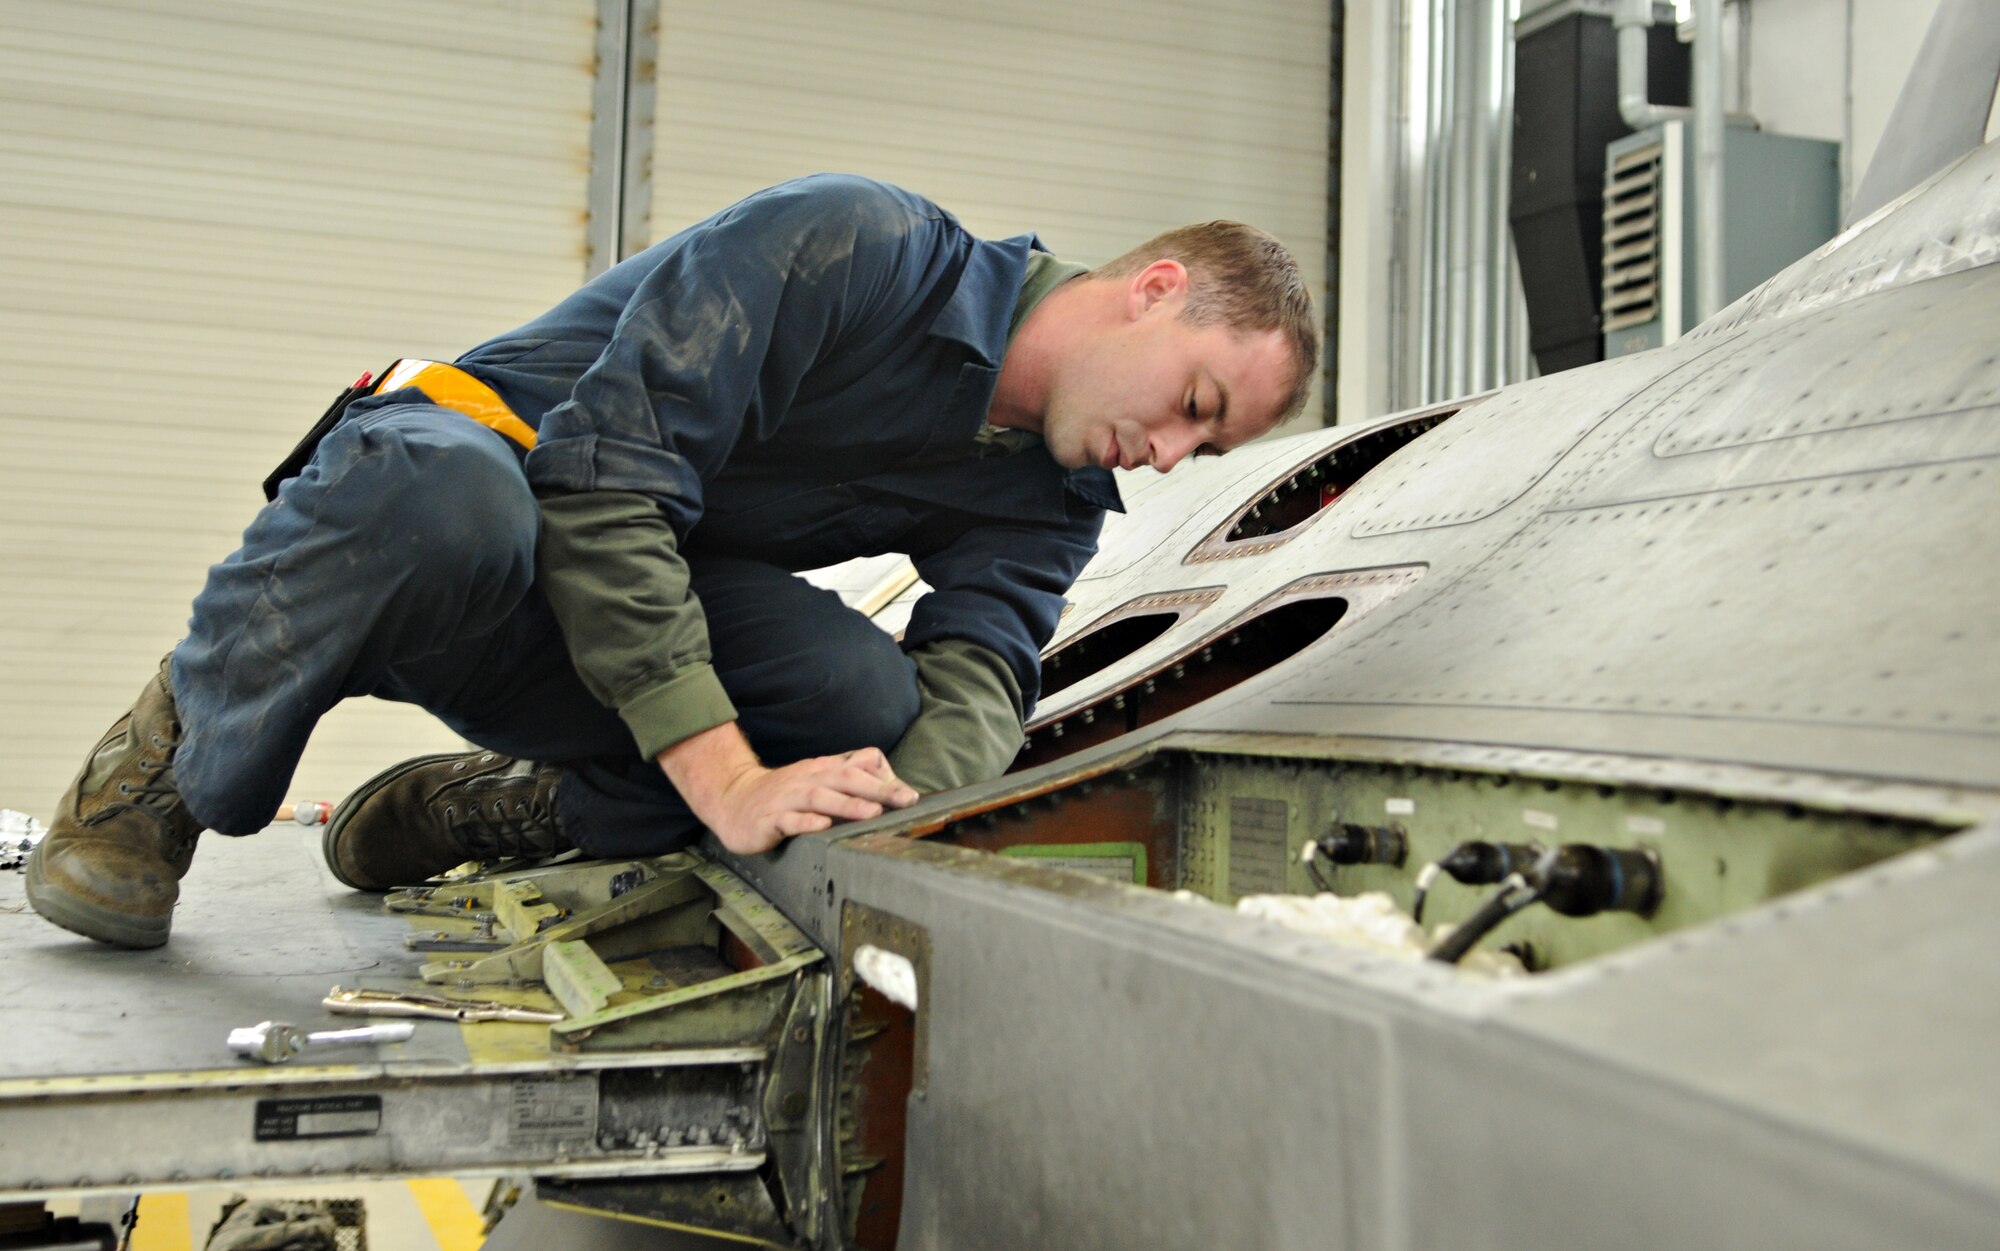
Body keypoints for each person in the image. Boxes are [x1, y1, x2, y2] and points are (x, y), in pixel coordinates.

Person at [26, 174, 1318, 948]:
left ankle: (524, 807)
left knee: (867, 712)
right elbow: (603, 480)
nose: (1168, 454)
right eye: (1196, 404)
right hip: (462, 495)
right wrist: (729, 783)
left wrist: (894, 858)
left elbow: (981, 676)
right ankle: (163, 759)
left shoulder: (1057, 490)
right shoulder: (858, 247)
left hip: (604, 621)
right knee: (453, 493)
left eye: (1205, 449)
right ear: (1155, 291)